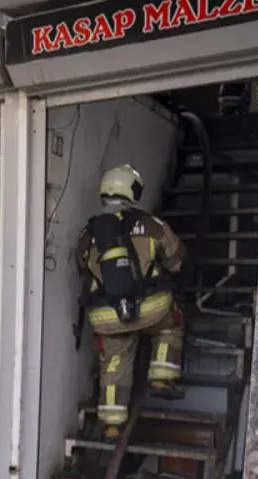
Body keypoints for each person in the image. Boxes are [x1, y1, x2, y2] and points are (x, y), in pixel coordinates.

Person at [76, 164, 187, 439]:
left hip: (105, 315)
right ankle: (162, 375)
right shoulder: (151, 225)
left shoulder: (88, 233)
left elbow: (82, 267)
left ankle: (112, 422)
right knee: (171, 323)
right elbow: (176, 261)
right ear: (131, 190)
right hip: (150, 309)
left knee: (114, 361)